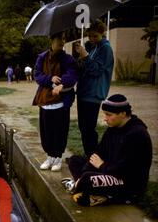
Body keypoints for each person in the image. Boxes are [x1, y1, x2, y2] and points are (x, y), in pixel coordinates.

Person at [61, 94, 152, 206]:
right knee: (74, 161)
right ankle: (83, 187)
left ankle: (82, 187)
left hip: (127, 181)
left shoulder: (137, 134)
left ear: (123, 113)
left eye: (109, 115)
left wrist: (101, 166)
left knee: (87, 179)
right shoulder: (113, 128)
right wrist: (88, 170)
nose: (105, 118)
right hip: (108, 171)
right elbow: (98, 153)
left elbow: (126, 169)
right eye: (105, 114)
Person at [33, 32, 78, 172]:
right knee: (46, 132)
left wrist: (62, 83)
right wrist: (50, 79)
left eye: (64, 39)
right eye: (59, 39)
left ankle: (58, 157)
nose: (62, 42)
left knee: (59, 131)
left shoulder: (68, 59)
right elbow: (37, 75)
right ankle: (50, 156)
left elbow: (72, 75)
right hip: (45, 100)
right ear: (51, 40)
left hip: (60, 102)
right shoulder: (42, 57)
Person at [74, 20, 114, 157]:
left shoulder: (105, 49)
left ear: (102, 33)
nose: (92, 39)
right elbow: (83, 69)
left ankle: (93, 157)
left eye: (95, 36)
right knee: (83, 128)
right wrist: (81, 57)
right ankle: (89, 156)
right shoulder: (93, 47)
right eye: (89, 36)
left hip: (93, 94)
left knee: (89, 128)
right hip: (83, 92)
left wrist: (85, 56)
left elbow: (97, 70)